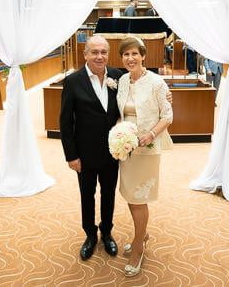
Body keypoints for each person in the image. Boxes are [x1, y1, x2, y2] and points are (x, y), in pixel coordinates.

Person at [60, 36, 122, 261]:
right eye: (94, 52)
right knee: (87, 195)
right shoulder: (73, 81)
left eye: (103, 52)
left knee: (108, 194)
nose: (99, 56)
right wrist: (71, 155)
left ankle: (107, 232)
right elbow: (65, 122)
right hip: (84, 155)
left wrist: (164, 94)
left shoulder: (118, 76)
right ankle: (89, 235)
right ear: (85, 54)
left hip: (114, 152)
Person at [116, 37, 173, 277]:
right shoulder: (121, 80)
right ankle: (143, 234)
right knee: (130, 195)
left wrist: (150, 135)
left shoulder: (157, 83)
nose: (130, 59)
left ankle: (138, 246)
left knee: (139, 198)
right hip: (125, 147)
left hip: (147, 149)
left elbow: (168, 116)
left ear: (143, 56)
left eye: (134, 54)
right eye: (126, 55)